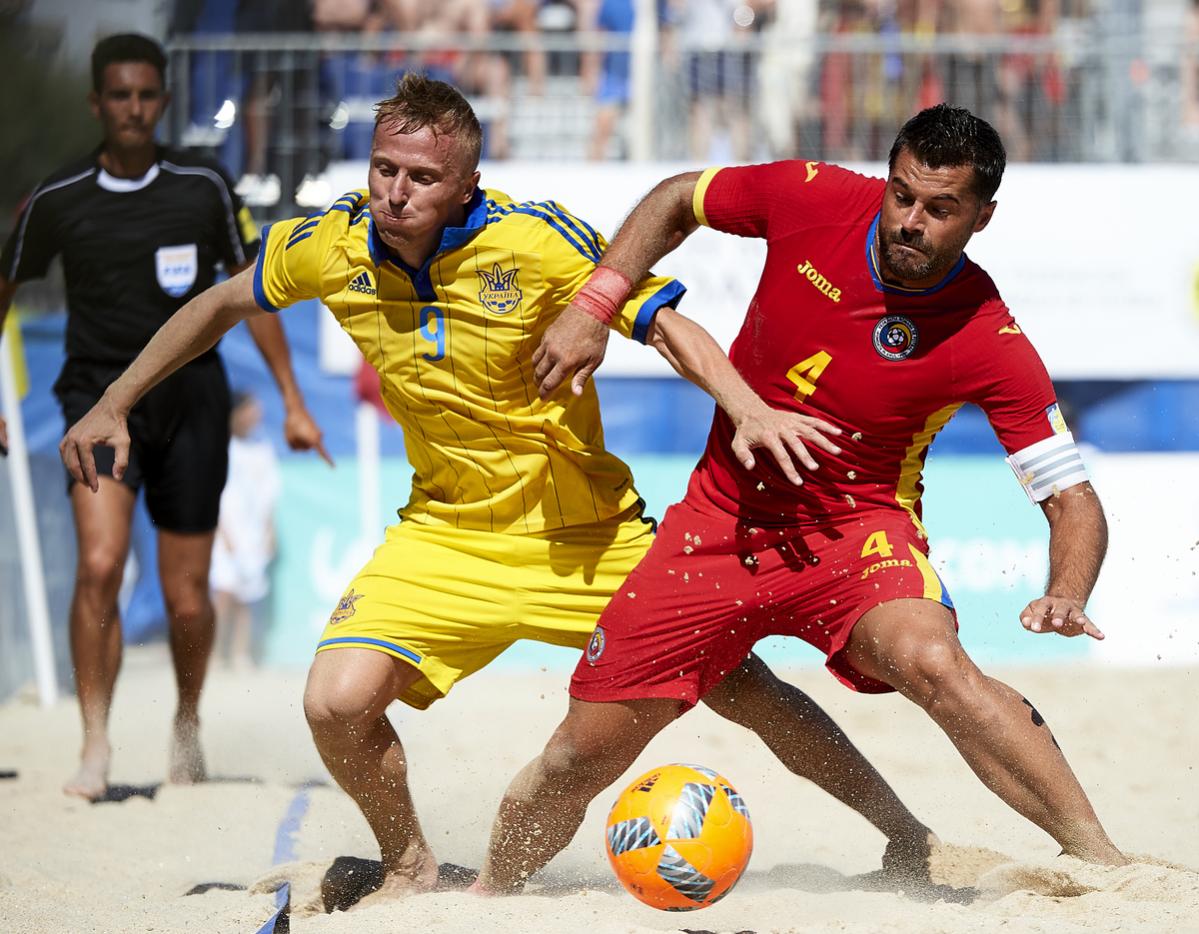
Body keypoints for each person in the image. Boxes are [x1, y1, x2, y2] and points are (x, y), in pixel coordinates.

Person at [61, 74, 938, 902]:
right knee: (333, 703)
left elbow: (667, 325)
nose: (396, 192)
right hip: (445, 534)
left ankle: (905, 832)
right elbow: (217, 304)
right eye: (384, 170)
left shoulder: (534, 239)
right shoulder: (329, 243)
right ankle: (409, 863)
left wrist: (746, 407)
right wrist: (113, 403)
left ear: (469, 180)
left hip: (586, 536)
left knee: (745, 691)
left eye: (422, 177)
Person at [473, 103, 1128, 894]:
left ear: (982, 216)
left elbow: (1070, 499)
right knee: (581, 753)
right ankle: (486, 891)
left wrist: (1065, 591)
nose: (910, 222)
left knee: (934, 662)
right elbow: (676, 197)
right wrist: (592, 306)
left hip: (855, 534)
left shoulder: (987, 336)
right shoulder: (812, 196)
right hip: (717, 526)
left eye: (940, 209)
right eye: (901, 196)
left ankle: (1104, 866)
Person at [0, 33, 327, 801]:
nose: (135, 109)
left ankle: (187, 724)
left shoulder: (202, 185)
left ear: (165, 101)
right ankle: (95, 744)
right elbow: (6, 285)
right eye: (120, 95)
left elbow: (256, 292)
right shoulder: (58, 197)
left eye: (147, 95)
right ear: (97, 102)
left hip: (190, 404)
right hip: (91, 401)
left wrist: (292, 399)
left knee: (188, 596)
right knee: (101, 566)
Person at [211, 392, 281, 669]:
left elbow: (270, 494)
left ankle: (241, 654)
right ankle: (216, 654)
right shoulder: (221, 448)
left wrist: (269, 529)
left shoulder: (263, 449)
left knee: (247, 596)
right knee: (224, 593)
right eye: (249, 409)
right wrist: (222, 531)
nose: (255, 415)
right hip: (226, 531)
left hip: (253, 533)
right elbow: (213, 492)